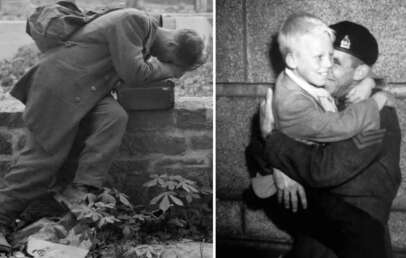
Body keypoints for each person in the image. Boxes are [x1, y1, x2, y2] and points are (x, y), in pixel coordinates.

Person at [0, 8, 206, 251]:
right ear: (171, 45)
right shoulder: (134, 22)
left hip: (86, 90)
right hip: (58, 88)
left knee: (114, 116)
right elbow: (134, 73)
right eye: (168, 61)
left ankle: (81, 190)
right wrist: (172, 71)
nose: (163, 64)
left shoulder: (143, 36)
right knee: (42, 162)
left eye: (167, 65)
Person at [250, 20, 400, 258]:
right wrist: (278, 167)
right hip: (317, 230)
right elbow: (257, 147)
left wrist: (274, 142)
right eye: (324, 56)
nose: (326, 67)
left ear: (360, 72)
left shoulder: (377, 114)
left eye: (336, 62)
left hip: (353, 236)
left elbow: (327, 169)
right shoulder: (316, 96)